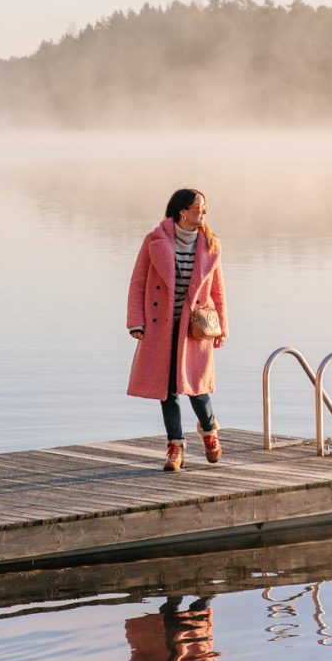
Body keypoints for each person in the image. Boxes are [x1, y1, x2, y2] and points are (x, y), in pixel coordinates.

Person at [127, 189, 228, 471]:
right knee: (167, 390)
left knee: (197, 388)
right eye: (199, 208)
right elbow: (138, 282)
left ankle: (209, 431)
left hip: (194, 329)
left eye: (205, 208)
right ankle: (175, 446)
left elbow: (217, 290)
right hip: (162, 328)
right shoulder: (155, 241)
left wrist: (221, 327)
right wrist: (136, 321)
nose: (203, 213)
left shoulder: (210, 243)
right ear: (182, 211)